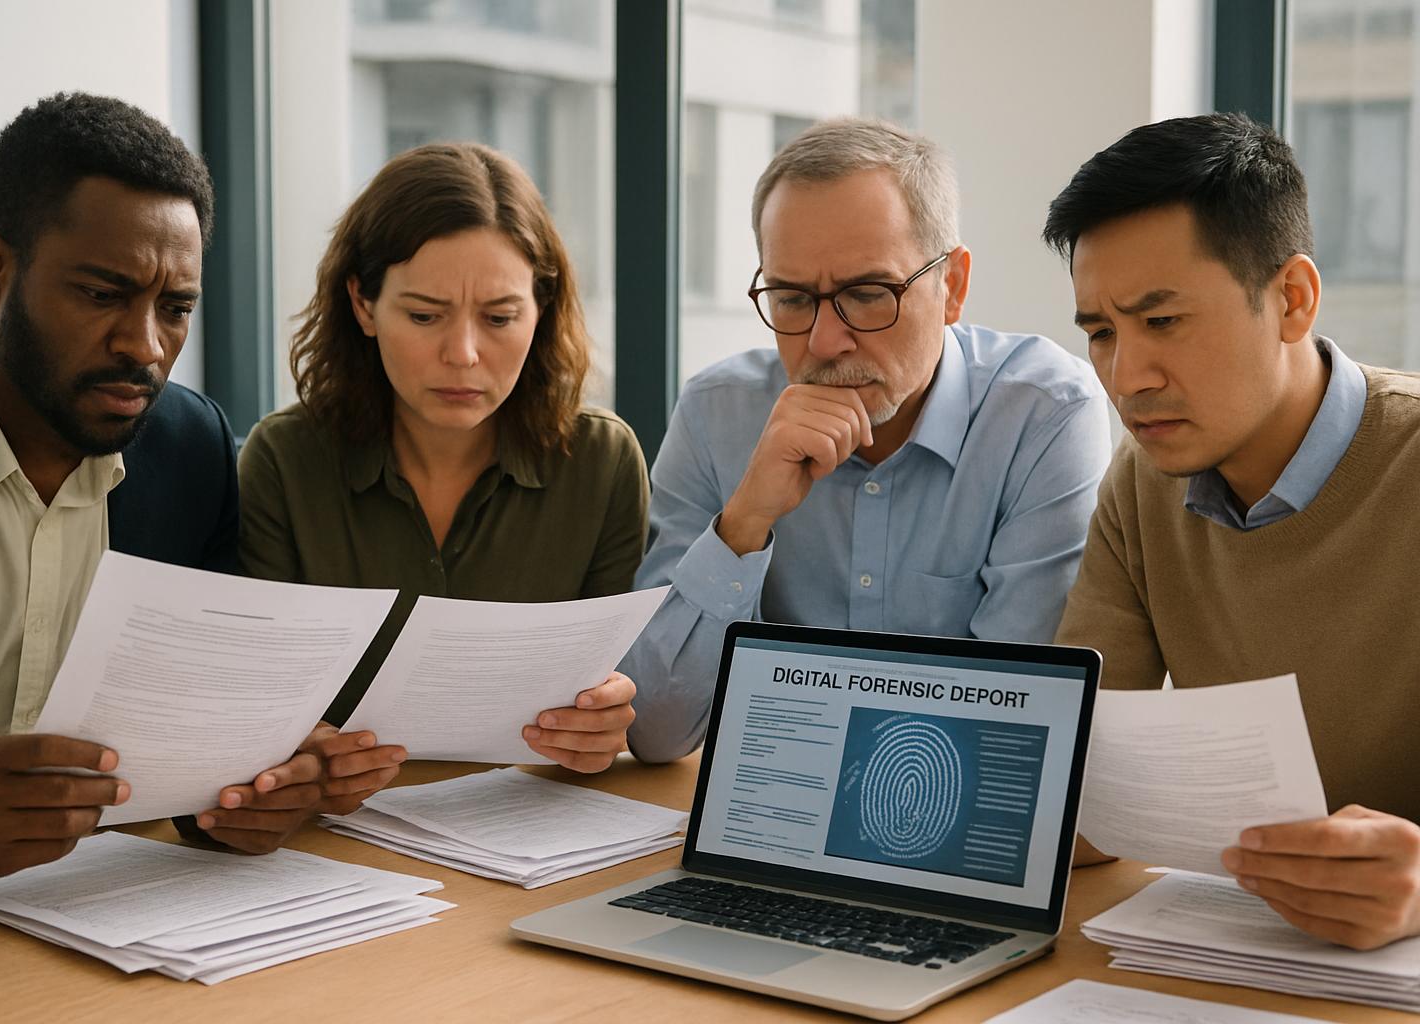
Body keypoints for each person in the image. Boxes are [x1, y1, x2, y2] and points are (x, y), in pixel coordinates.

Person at [0, 93, 354, 885]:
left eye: (176, 308)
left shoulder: (191, 448)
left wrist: (242, 797)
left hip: (111, 906)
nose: (146, 347)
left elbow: (195, 732)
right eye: (103, 295)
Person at [622, 118, 1113, 763]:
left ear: (952, 287)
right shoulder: (717, 412)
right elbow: (654, 730)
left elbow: (1012, 726)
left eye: (867, 293)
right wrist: (742, 525)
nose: (825, 342)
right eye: (792, 298)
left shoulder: (1044, 414)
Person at [1045, 112, 1420, 950]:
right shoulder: (1142, 484)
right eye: (1101, 333)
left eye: (1162, 322)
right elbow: (1078, 795)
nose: (1126, 378)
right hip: (1246, 950)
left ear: (1292, 300)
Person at [238, 142, 648, 776]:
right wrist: (294, 746)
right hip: (334, 823)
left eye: (500, 318)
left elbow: (613, 689)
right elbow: (258, 700)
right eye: (425, 316)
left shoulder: (603, 461)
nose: (463, 354)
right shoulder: (282, 460)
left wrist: (603, 723)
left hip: (528, 814)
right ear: (363, 304)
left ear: (540, 309)